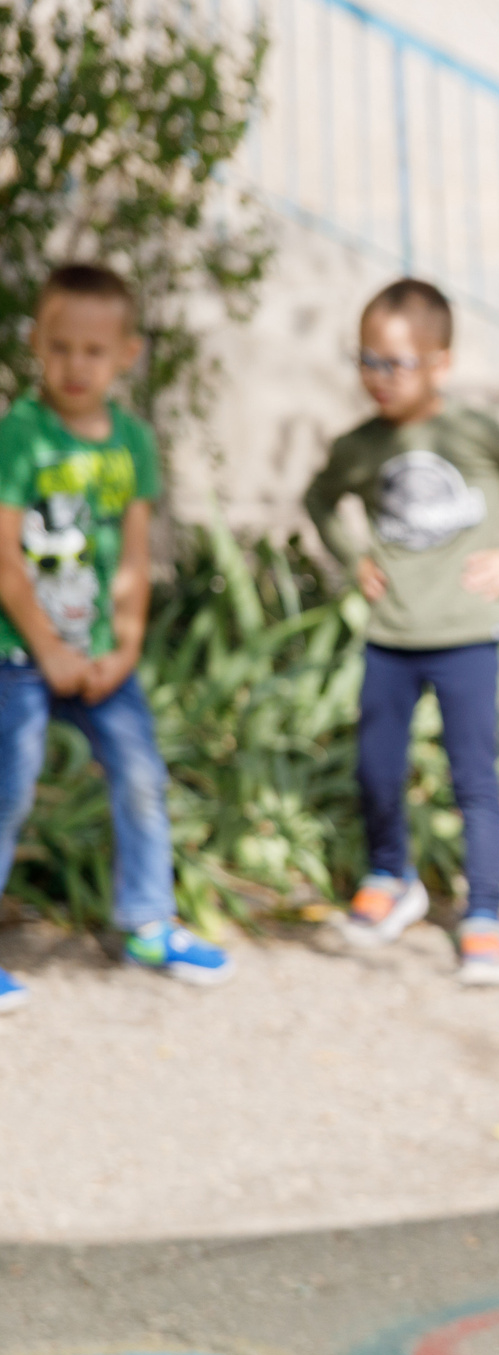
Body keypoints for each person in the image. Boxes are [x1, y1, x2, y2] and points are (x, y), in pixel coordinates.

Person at [303, 277, 499, 988]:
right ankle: (391, 875)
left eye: (398, 363)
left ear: (441, 362)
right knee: (377, 767)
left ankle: (484, 914)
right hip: (391, 639)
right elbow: (320, 497)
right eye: (368, 360)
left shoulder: (475, 434)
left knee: (474, 779)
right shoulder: (360, 446)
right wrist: (351, 555)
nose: (380, 378)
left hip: (466, 639)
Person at [0, 263, 233, 1009]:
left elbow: (136, 557)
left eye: (94, 351)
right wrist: (49, 649)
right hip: (21, 658)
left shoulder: (131, 440)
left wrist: (123, 649)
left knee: (139, 775)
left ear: (126, 354)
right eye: (60, 346)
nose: (76, 364)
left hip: (103, 659)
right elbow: (3, 555)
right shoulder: (19, 435)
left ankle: (147, 920)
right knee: (8, 789)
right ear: (36, 343)